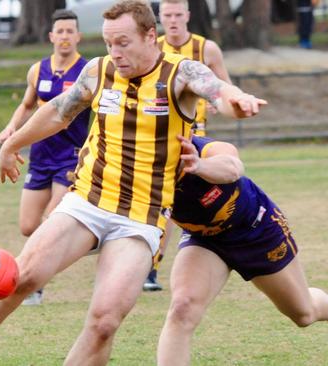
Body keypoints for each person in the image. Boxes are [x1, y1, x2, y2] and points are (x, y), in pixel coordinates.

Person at [0, 1, 266, 365]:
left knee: (104, 322)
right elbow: (58, 111)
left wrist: (237, 100)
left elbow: (217, 90)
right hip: (87, 201)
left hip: (140, 219)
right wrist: (11, 143)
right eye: (108, 44)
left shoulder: (180, 74)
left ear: (151, 36)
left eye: (123, 43)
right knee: (22, 277)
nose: (114, 53)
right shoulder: (98, 71)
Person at [156, 135, 328, 364]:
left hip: (255, 228)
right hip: (205, 239)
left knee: (303, 313)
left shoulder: (201, 147)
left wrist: (200, 166)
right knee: (182, 309)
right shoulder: (139, 166)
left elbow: (232, 167)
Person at [0, 9, 90, 306]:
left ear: (78, 36)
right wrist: (12, 127)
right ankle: (70, 248)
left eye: (69, 32)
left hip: (71, 157)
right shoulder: (38, 70)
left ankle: (33, 282)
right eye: (59, 32)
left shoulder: (88, 71)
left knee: (52, 217)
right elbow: (26, 105)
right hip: (41, 156)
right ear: (51, 36)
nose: (64, 37)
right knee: (28, 225)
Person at [144, 0, 233, 292]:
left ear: (188, 16)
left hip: (196, 136)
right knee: (164, 202)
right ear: (159, 17)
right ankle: (151, 268)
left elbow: (224, 85)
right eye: (167, 15)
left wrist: (223, 101)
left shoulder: (206, 49)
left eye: (177, 15)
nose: (172, 20)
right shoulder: (151, 47)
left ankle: (219, 250)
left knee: (199, 198)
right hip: (160, 134)